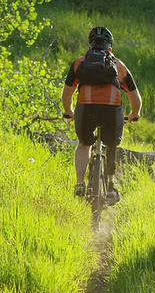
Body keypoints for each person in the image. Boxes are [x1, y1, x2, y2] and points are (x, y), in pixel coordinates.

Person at [61, 26, 142, 203]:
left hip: (86, 109)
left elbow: (66, 96)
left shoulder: (79, 63)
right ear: (110, 47)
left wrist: (69, 111)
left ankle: (80, 183)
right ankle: (110, 188)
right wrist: (133, 114)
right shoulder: (119, 65)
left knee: (84, 144)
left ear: (90, 46)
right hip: (111, 112)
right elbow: (136, 100)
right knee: (111, 145)